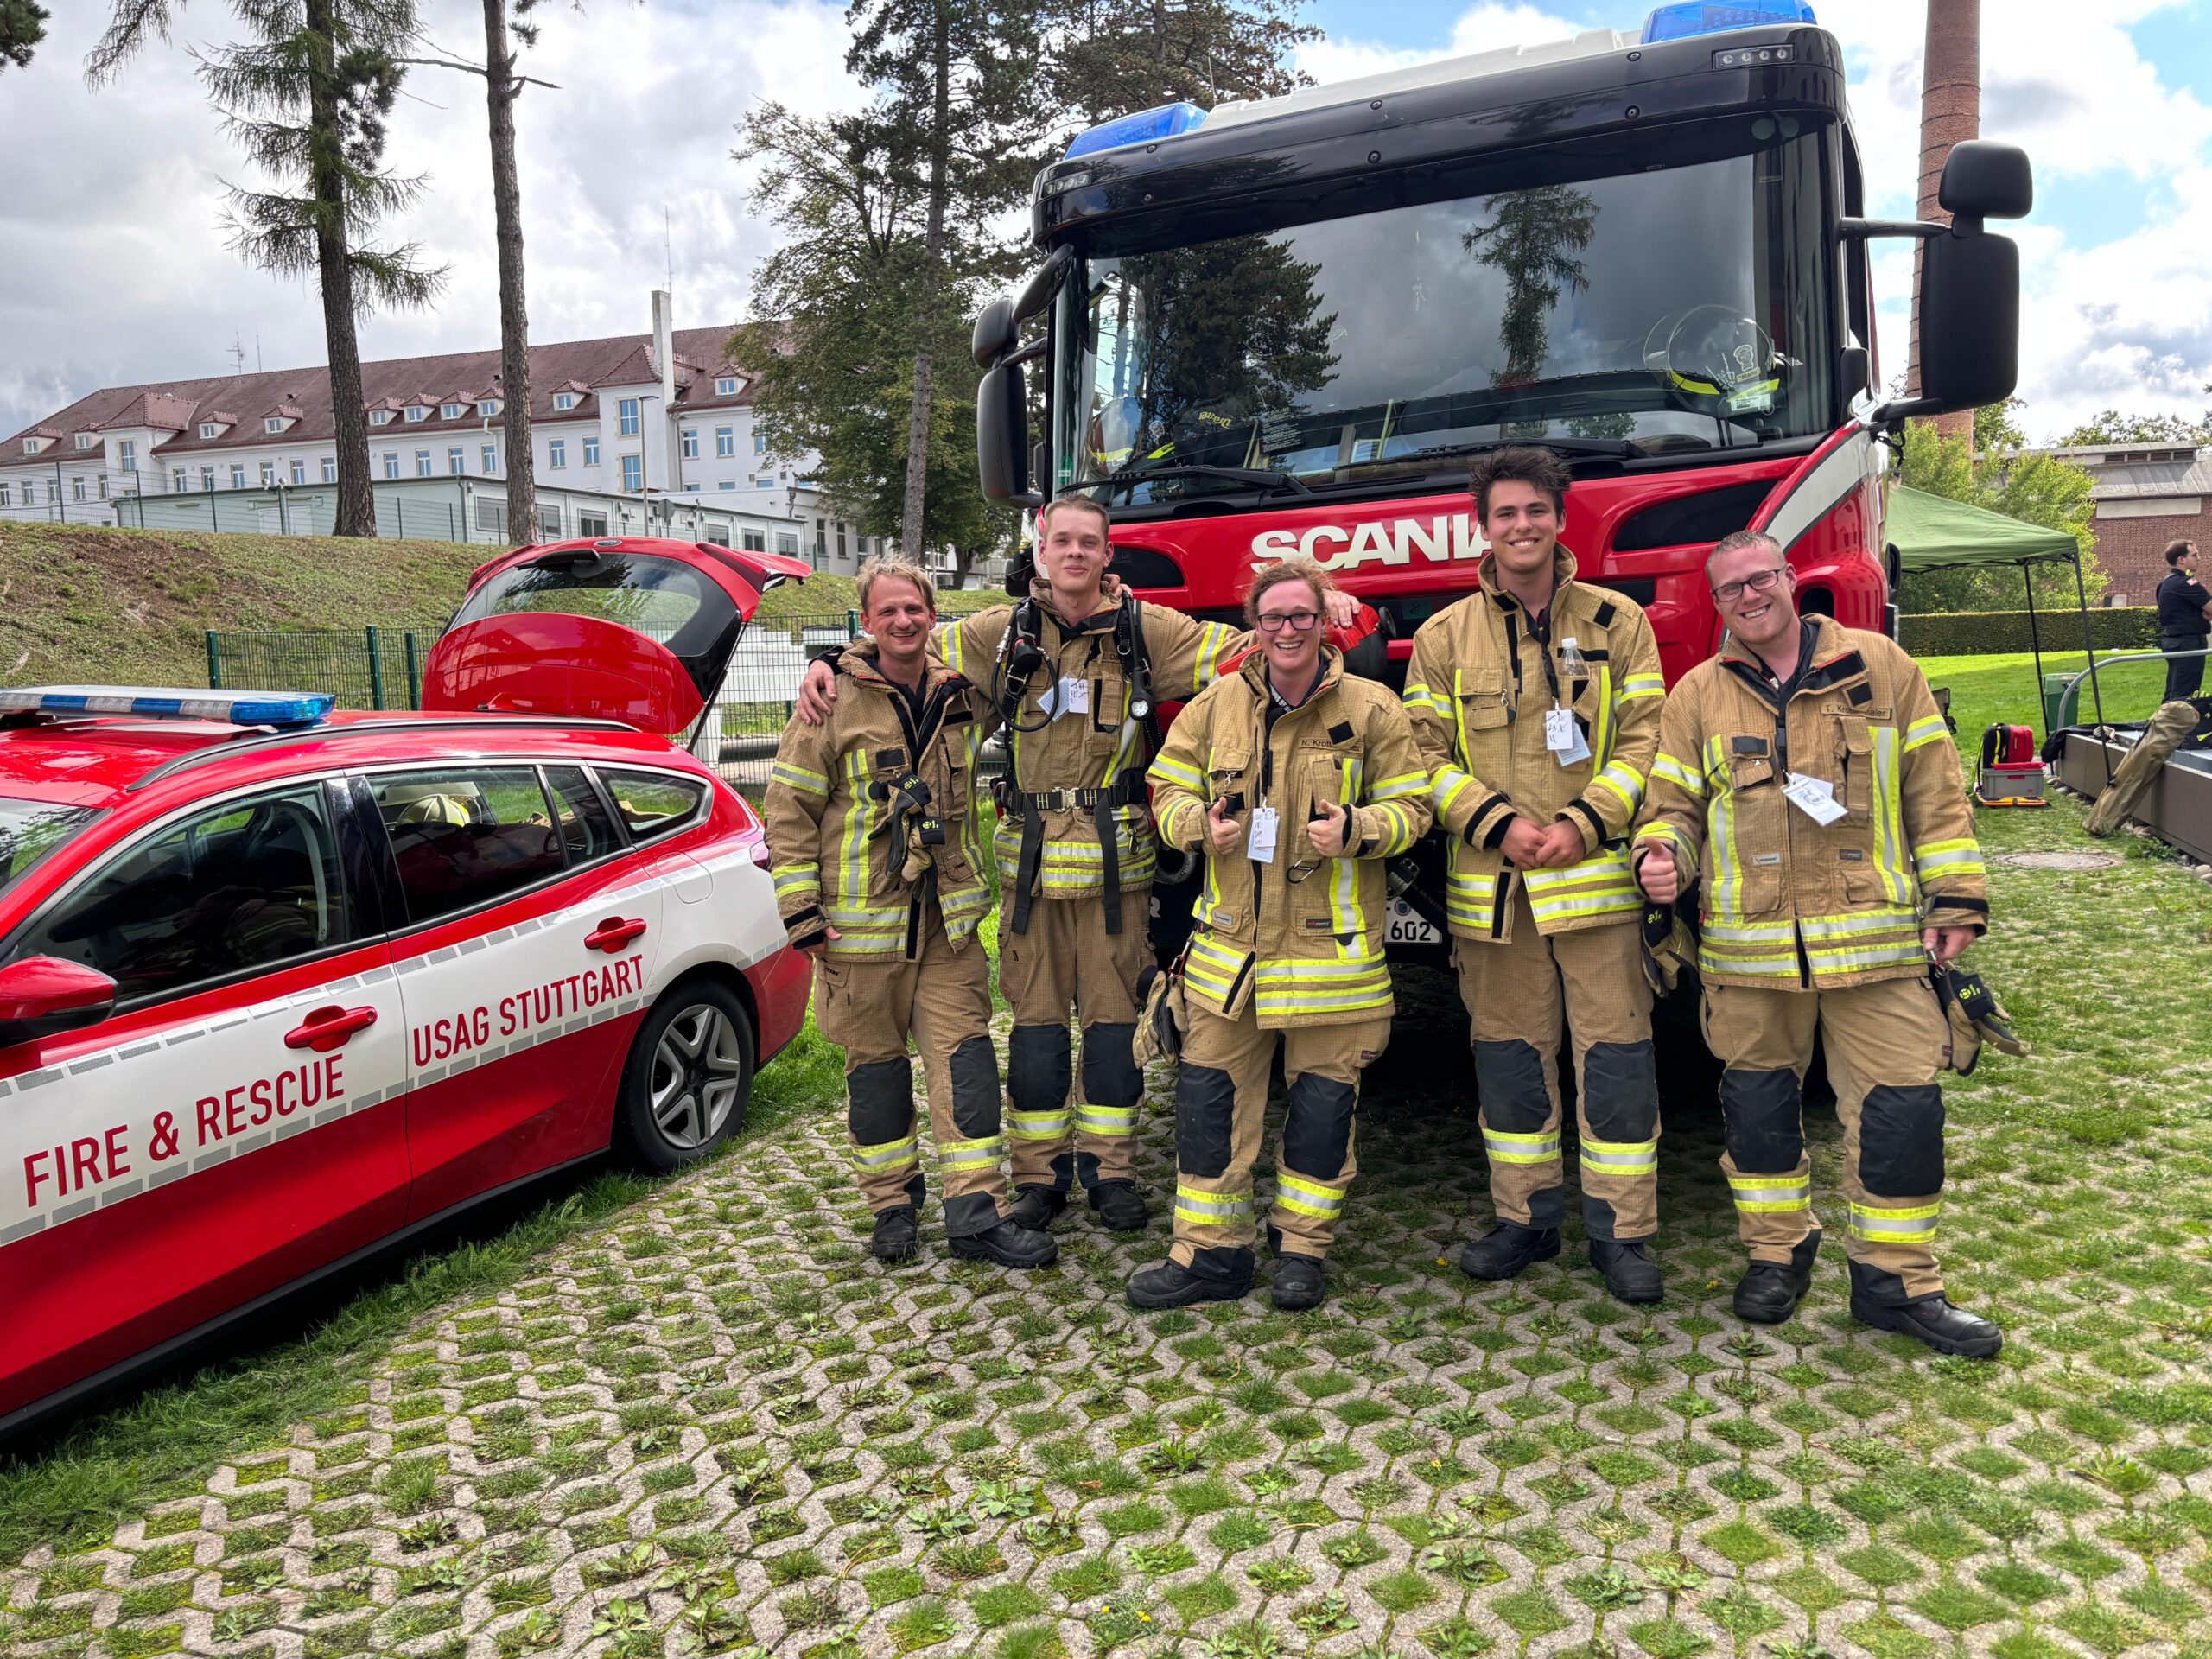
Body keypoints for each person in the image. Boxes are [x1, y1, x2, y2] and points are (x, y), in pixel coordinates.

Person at [795, 499, 1360, 1236]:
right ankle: (1039, 1179)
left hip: (1115, 876)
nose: (1074, 553)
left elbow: (1249, 648)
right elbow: (903, 651)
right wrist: (829, 662)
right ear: (1040, 551)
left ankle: (1112, 1172)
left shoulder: (1147, 629)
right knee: (1033, 1033)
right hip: (1029, 878)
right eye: (1061, 540)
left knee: (1111, 1028)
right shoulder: (995, 634)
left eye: (1088, 542)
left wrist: (1325, 602)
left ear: (1105, 553)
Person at [1633, 529, 2000, 1357]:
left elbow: (1936, 793)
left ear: (1790, 578)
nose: (1748, 598)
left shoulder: (1881, 667)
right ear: (1716, 602)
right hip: (1749, 957)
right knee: (1758, 1118)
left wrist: (1958, 898)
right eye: (1729, 590)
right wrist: (1660, 855)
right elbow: (1672, 806)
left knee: (1903, 1113)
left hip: (1878, 949)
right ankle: (1776, 1254)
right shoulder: (1696, 694)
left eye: (1760, 579)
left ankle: (1897, 1285)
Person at [1401, 448, 1669, 1305]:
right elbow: (1420, 759)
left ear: (1560, 519)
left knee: (1617, 1066)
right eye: (1504, 514)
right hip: (1496, 898)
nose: (1521, 526)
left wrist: (1582, 823)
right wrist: (1500, 825)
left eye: (1535, 511)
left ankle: (1621, 1234)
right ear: (1483, 527)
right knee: (1511, 1065)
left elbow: (1646, 743)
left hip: (1594, 890)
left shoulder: (1616, 622)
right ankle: (1524, 1220)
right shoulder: (1443, 638)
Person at [1133, 557, 1433, 1309]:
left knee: (1325, 1111)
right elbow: (1165, 784)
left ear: (1324, 623)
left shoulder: (1372, 710)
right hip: (1230, 956)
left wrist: (1360, 829)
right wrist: (1196, 825)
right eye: (1273, 618)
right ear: (1254, 628)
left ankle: (1302, 1250)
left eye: (1302, 616)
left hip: (1333, 957)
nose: (1288, 630)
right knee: (1208, 1104)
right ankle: (1209, 1256)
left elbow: (1416, 808)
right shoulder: (1213, 705)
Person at [764, 557, 1054, 1270]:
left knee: (969, 1070)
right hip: (859, 937)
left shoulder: (961, 696)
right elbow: (789, 812)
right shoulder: (829, 705)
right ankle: (892, 1208)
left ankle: (975, 1215)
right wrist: (802, 913)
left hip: (947, 927)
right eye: (888, 612)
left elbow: (1026, 626)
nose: (903, 621)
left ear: (933, 616)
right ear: (867, 621)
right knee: (877, 1077)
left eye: (915, 610)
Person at [2155, 540, 2210, 704]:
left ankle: (2162, 726)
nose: (2199, 558)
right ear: (2182, 559)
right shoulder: (2186, 583)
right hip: (2188, 643)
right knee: (2184, 697)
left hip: (2175, 641)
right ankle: (2173, 728)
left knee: (2173, 692)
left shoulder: (2165, 582)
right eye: (2194, 555)